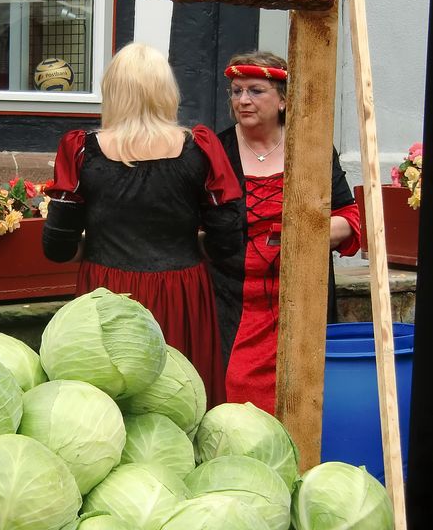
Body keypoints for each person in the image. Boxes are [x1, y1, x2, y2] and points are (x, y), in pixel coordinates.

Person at [42, 42, 245, 406]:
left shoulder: (81, 150)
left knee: (110, 403)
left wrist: (96, 246)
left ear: (112, 91)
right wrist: (192, 242)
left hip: (107, 294)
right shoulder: (199, 148)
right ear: (166, 91)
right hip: (182, 292)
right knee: (181, 402)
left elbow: (57, 247)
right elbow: (228, 240)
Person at [210, 50, 362, 415]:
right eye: (236, 91)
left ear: (282, 100)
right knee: (236, 395)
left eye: (255, 91)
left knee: (304, 394)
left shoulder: (312, 149)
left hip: (301, 297)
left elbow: (349, 218)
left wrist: (299, 233)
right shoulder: (216, 150)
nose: (243, 100)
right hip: (235, 298)